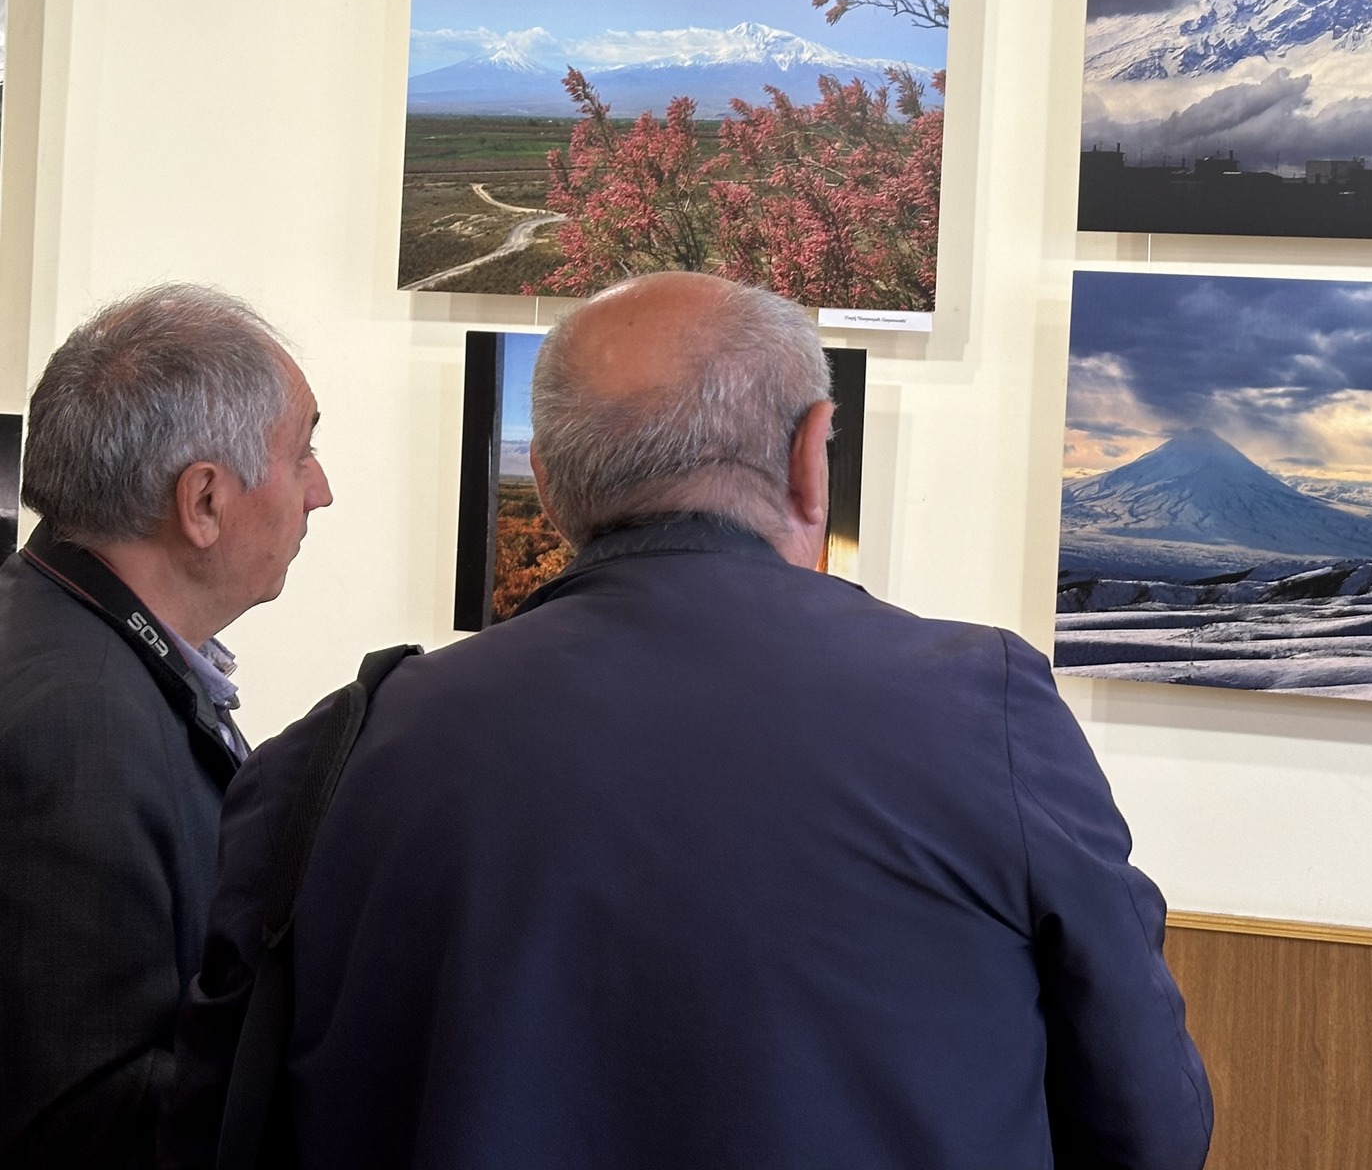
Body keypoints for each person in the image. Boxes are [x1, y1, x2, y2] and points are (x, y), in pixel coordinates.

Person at [169, 272, 1211, 1169]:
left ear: (550, 483)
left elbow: (225, 1123)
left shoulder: (336, 752)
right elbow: (1148, 1122)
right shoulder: (982, 710)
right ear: (811, 459)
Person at [0, 283, 332, 1168]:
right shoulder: (77, 727)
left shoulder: (64, 637)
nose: (322, 491)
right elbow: (79, 1120)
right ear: (205, 502)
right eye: (303, 452)